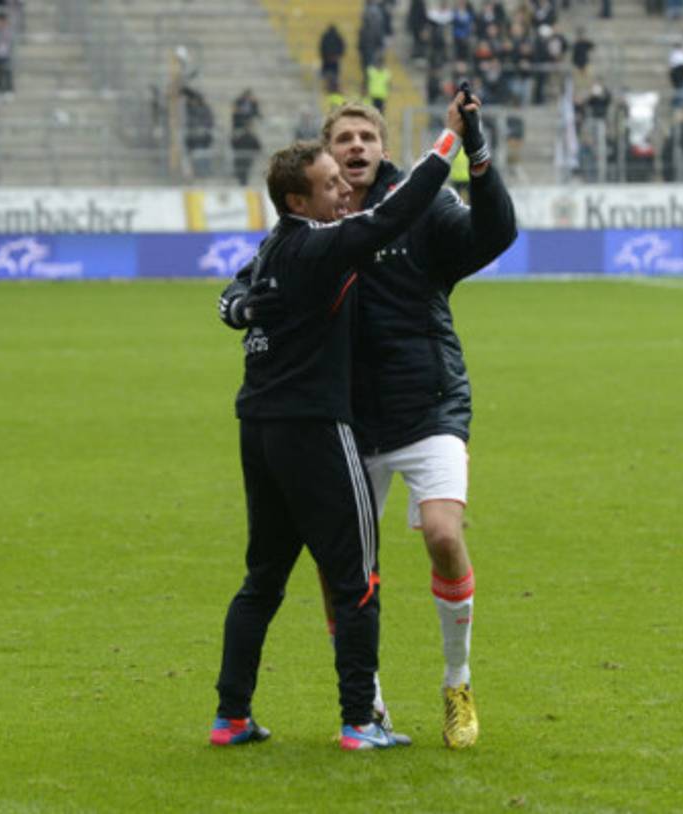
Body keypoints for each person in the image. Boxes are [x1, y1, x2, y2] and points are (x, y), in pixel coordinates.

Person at [222, 95, 517, 750]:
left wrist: (476, 152)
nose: (356, 147)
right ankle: (369, 703)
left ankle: (457, 682)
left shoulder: (416, 204)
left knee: (442, 534)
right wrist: (241, 304)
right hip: (347, 420)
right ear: (327, 156)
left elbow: (493, 235)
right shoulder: (317, 225)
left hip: (427, 400)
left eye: (367, 137)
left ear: (383, 149)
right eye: (344, 139)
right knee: (343, 567)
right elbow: (250, 279)